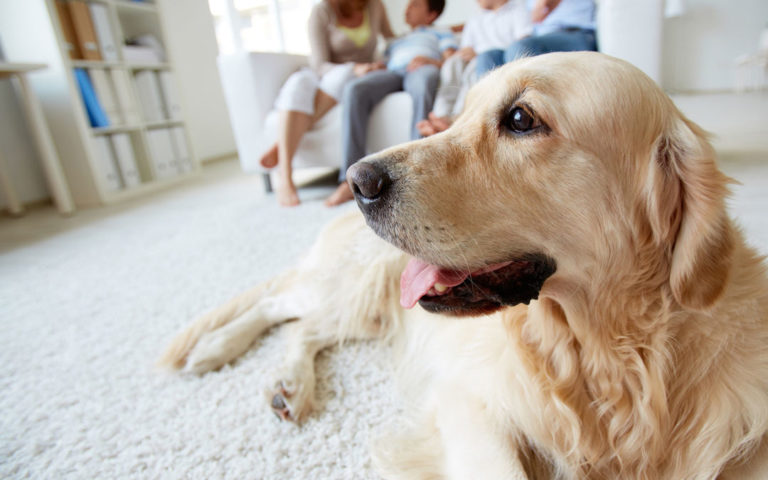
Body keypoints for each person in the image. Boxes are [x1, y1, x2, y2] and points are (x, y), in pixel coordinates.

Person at [259, 0, 394, 207]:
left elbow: (391, 39)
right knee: (298, 82)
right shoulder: (322, 11)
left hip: (360, 76)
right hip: (329, 74)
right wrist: (354, 68)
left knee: (344, 78)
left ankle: (281, 144)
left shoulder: (375, 6)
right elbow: (319, 64)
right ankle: (285, 176)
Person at [325, 0, 455, 206]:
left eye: (415, 5)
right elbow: (385, 61)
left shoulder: (440, 32)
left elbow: (451, 59)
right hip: (392, 72)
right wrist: (377, 66)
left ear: (430, 15)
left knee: (425, 81)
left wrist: (433, 62)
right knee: (355, 89)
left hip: (420, 69)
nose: (407, 8)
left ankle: (417, 171)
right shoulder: (396, 41)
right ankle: (348, 180)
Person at [417, 0, 532, 136]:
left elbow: (522, 46)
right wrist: (463, 54)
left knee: (474, 66)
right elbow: (466, 47)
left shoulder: (518, 10)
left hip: (495, 60)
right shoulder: (476, 18)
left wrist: (477, 55)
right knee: (453, 63)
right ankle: (441, 115)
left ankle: (459, 117)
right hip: (473, 58)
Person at [475, 0, 596, 76]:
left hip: (576, 34)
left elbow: (544, 7)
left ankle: (531, 110)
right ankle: (491, 110)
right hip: (541, 40)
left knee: (519, 47)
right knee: (488, 56)